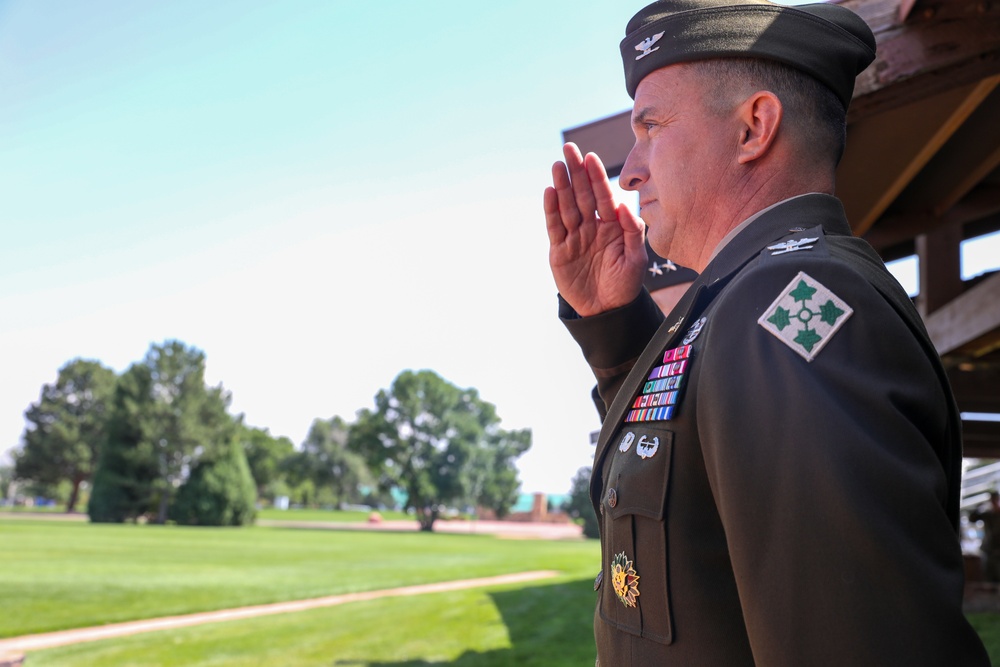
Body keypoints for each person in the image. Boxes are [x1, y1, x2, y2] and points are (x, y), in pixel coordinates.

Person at [542, 1, 990, 664]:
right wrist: (614, 325)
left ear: (754, 127)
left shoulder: (781, 305)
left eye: (652, 126)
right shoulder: (739, 300)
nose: (630, 170)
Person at [970, 490, 1000, 584]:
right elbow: (972, 518)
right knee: (988, 576)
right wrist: (979, 506)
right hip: (988, 550)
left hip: (998, 551)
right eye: (992, 500)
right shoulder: (988, 514)